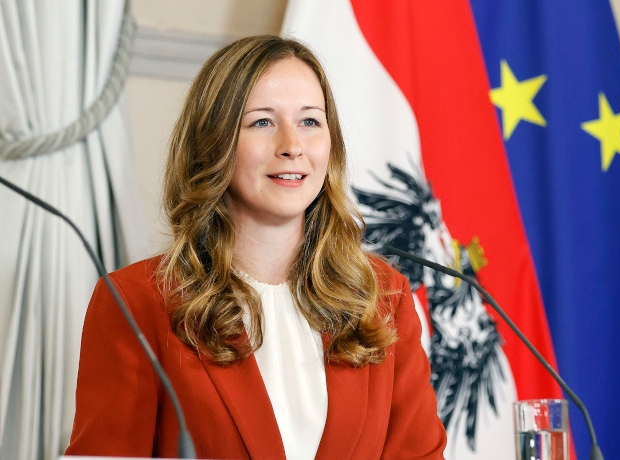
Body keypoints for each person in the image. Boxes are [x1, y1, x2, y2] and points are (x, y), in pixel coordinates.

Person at [64, 35, 447, 459]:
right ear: (214, 143)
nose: (291, 146)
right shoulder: (135, 302)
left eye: (310, 121)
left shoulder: (384, 296)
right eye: (262, 122)